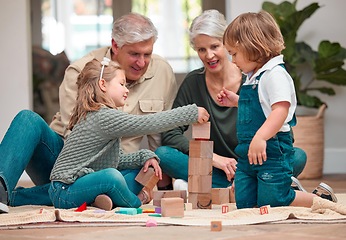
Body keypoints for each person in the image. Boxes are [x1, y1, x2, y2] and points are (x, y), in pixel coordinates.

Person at [0, 13, 177, 213]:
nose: (142, 62)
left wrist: (159, 180)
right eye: (135, 54)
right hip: (66, 164)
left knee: (142, 165)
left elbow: (158, 137)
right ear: (115, 46)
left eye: (147, 54)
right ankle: (3, 191)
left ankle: (95, 197)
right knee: (28, 119)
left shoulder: (162, 72)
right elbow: (78, 142)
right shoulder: (80, 71)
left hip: (116, 166)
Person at [155, 9, 307, 191]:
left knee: (298, 156)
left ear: (227, 45)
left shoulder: (255, 80)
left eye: (214, 46)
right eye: (201, 49)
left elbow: (283, 130)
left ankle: (213, 185)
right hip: (214, 167)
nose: (209, 55)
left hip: (254, 161)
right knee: (162, 154)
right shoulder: (193, 82)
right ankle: (246, 186)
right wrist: (213, 158)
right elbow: (170, 135)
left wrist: (253, 153)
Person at [48, 58, 209, 210]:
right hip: (65, 190)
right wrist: (191, 112)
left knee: (138, 170)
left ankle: (103, 200)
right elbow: (149, 123)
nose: (126, 90)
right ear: (103, 84)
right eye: (122, 84)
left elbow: (117, 161)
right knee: (112, 177)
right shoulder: (103, 116)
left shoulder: (104, 114)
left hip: (83, 184)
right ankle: (137, 201)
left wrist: (144, 157)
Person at [216, 11, 337, 209]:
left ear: (253, 47)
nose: (233, 61)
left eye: (234, 54)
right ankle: (283, 187)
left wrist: (261, 137)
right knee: (245, 203)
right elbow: (259, 107)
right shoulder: (253, 76)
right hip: (248, 150)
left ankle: (321, 200)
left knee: (274, 201)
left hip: (272, 149)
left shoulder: (275, 75)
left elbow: (280, 111)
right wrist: (237, 101)